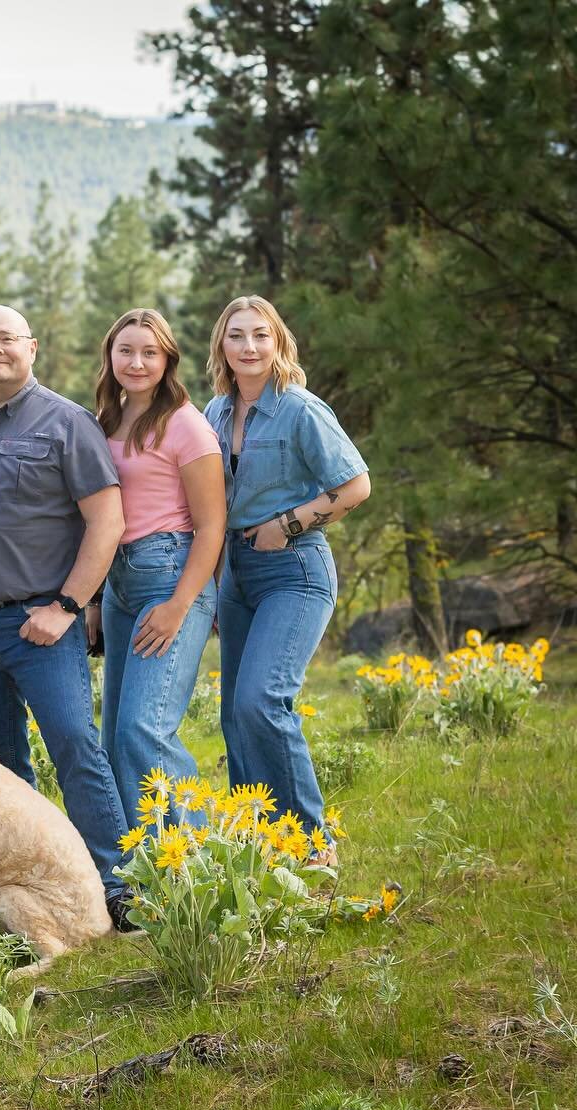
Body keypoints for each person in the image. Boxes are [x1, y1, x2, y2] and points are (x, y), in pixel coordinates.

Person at [0, 304, 137, 931]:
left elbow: (108, 521)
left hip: (40, 623)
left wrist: (68, 606)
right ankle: (23, 888)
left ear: (32, 347)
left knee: (75, 746)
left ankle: (120, 886)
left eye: (7, 339)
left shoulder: (68, 423)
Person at [204, 294, 371, 857]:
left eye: (260, 335)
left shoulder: (300, 408)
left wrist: (289, 523)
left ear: (278, 344)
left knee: (261, 701)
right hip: (235, 575)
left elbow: (356, 485)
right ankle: (261, 843)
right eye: (236, 336)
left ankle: (311, 844)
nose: (248, 347)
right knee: (235, 715)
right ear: (221, 347)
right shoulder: (215, 413)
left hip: (294, 570)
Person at [91, 309, 224, 822]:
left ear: (168, 358)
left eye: (149, 352)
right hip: (120, 583)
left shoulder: (185, 425)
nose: (137, 361)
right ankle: (143, 863)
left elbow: (212, 526)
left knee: (143, 730)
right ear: (110, 355)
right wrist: (98, 599)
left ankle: (196, 855)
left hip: (171, 577)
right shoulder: (105, 419)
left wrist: (180, 606)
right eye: (126, 350)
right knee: (115, 735)